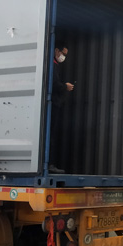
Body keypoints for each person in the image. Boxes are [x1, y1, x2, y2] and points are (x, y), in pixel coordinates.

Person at [49, 40, 74, 173]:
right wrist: (65, 86)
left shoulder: (55, 64)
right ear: (56, 51)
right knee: (51, 134)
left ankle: (50, 164)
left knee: (52, 134)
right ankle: (50, 164)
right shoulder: (52, 65)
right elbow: (53, 84)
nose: (63, 57)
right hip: (53, 104)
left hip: (55, 103)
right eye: (63, 54)